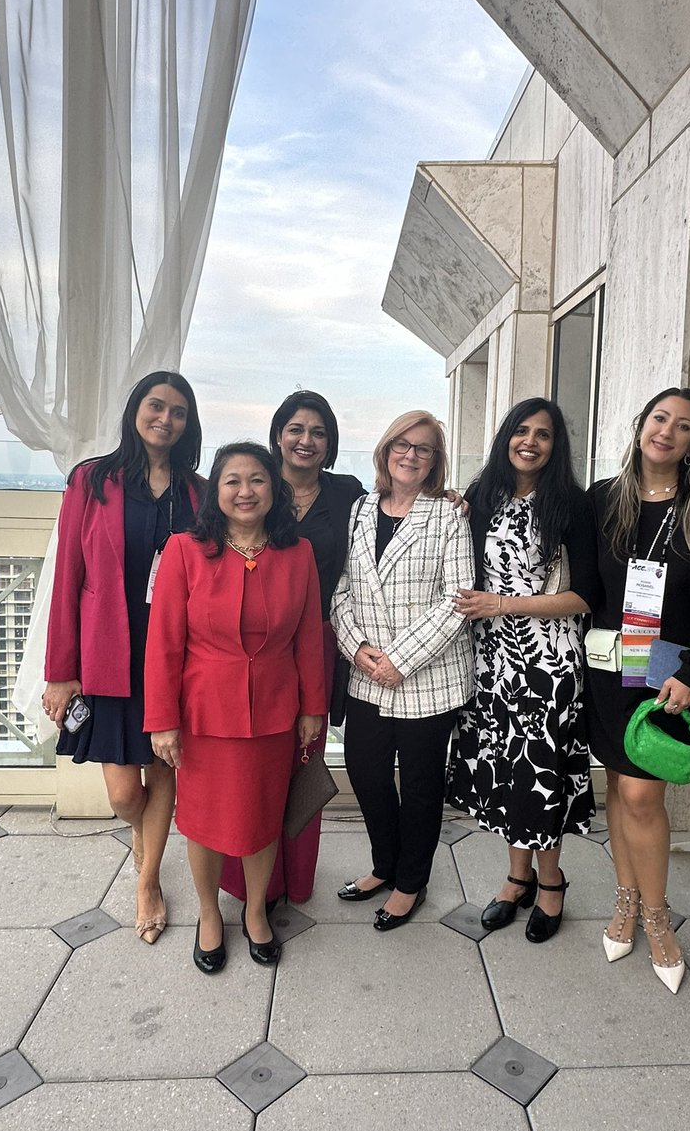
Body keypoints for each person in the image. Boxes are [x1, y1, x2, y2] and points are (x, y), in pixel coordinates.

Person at [587, 387, 690, 993]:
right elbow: (533, 508)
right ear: (640, 425)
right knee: (620, 788)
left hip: (673, 678)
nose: (667, 432)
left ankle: (657, 919)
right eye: (659, 418)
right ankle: (625, 901)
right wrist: (458, 501)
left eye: (683, 426)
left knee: (642, 798)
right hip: (608, 670)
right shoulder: (605, 500)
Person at [145, 442, 324, 973]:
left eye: (257, 480)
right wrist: (162, 720)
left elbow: (309, 637)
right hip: (202, 714)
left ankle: (255, 914)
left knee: (262, 818)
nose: (245, 491)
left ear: (275, 488)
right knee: (200, 821)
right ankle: (206, 914)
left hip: (275, 711)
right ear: (215, 492)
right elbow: (163, 643)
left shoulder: (299, 554)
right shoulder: (182, 550)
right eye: (232, 481)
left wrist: (312, 707)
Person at [42, 371, 203, 945]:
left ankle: (149, 880)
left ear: (189, 424)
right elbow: (68, 578)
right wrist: (61, 671)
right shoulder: (92, 480)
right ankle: (144, 835)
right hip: (107, 650)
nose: (166, 418)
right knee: (123, 794)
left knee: (163, 766)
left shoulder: (196, 491)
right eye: (156, 406)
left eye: (178, 411)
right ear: (135, 409)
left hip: (173, 655)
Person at [449, 397, 599, 944]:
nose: (530, 441)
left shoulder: (572, 506)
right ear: (506, 435)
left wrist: (504, 605)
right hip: (492, 661)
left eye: (543, 434)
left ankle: (552, 880)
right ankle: (518, 877)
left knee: (543, 772)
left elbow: (585, 595)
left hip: (550, 659)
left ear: (556, 446)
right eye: (521, 430)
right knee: (508, 771)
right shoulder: (481, 496)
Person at [219, 391, 365, 910]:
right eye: (297, 429)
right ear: (278, 433)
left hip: (316, 642)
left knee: (302, 757)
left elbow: (403, 505)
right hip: (248, 642)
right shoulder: (254, 487)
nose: (307, 440)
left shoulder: (348, 493)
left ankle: (293, 878)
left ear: (330, 444)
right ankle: (247, 877)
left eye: (319, 432)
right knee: (248, 765)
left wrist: (453, 498)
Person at [331, 411, 473, 930]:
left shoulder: (449, 515)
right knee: (366, 775)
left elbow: (458, 599)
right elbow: (342, 588)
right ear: (385, 449)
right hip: (367, 673)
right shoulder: (361, 508)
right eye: (402, 445)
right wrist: (359, 647)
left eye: (424, 448)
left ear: (435, 460)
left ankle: (410, 881)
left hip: (428, 679)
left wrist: (401, 659)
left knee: (419, 786)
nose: (410, 455)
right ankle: (383, 864)